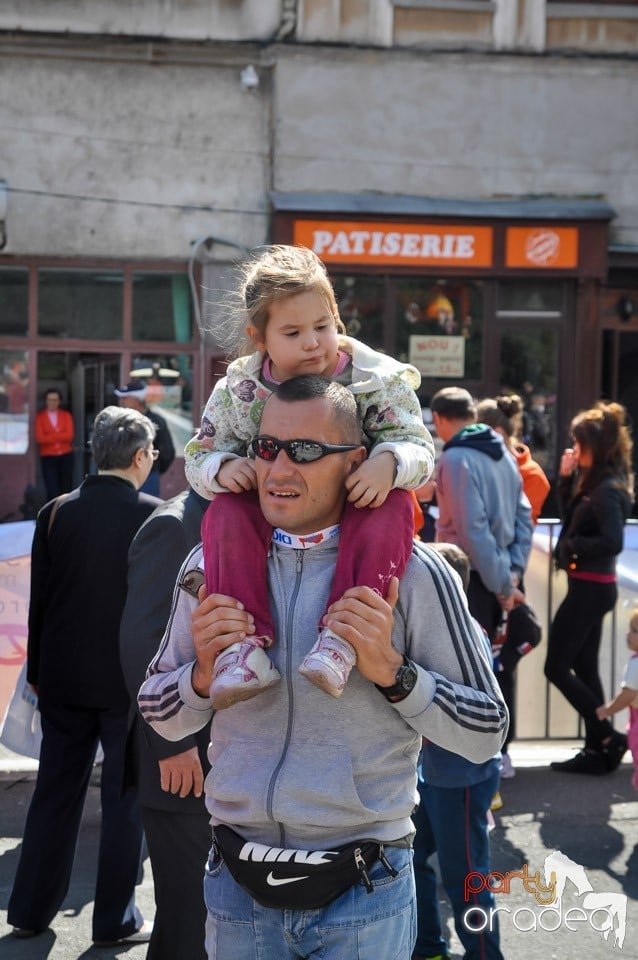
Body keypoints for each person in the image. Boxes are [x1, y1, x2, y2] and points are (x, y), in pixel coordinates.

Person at [139, 376, 507, 960]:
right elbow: (160, 712)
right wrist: (202, 680)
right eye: (266, 449)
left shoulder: (413, 572)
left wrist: (394, 673)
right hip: (238, 886)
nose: (279, 468)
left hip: (364, 889)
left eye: (306, 451)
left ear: (356, 463)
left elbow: (486, 731)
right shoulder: (211, 561)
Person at [184, 244, 435, 707]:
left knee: (397, 501)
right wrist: (224, 467)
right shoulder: (239, 391)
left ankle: (343, 637)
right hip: (273, 510)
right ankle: (242, 647)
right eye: (293, 332)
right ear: (258, 337)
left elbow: (421, 447)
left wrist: (390, 461)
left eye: (323, 326)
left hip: (358, 509)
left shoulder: (377, 380)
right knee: (225, 509)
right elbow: (198, 455)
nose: (313, 342)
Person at [8, 406, 161, 945]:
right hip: (128, 681)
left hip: (63, 679)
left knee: (55, 791)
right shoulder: (156, 514)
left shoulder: (55, 512)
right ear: (141, 456)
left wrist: (40, 676)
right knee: (123, 800)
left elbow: (40, 606)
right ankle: (114, 920)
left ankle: (28, 910)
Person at [119, 488, 212, 960]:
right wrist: (173, 742)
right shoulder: (176, 524)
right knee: (187, 923)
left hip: (219, 761)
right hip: (182, 759)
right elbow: (142, 643)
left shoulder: (223, 515)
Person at [413, 542, 503, 960]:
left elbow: (478, 712)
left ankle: (485, 954)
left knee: (466, 879)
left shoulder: (467, 635)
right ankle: (428, 946)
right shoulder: (439, 629)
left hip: (460, 777)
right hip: (432, 776)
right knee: (409, 862)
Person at [546, 401, 634, 775]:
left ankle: (607, 737)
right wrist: (566, 480)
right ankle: (598, 747)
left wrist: (572, 547)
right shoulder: (596, 482)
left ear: (594, 446)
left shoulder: (608, 489)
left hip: (592, 589)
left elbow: (612, 540)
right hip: (589, 586)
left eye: (578, 443)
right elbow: (572, 522)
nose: (573, 448)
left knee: (556, 667)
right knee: (583, 666)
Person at [475, 393, 550, 777]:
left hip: (504, 584)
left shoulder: (525, 473)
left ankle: (501, 752)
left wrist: (509, 581)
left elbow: (516, 525)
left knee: (501, 670)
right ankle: (494, 752)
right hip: (497, 580)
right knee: (492, 669)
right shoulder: (492, 465)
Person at [429, 386, 533, 639]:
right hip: (502, 574)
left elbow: (472, 530)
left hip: (469, 578)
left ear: (438, 418)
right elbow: (524, 518)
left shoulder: (454, 458)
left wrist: (504, 586)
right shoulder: (506, 454)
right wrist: (513, 572)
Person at [596, 605, 638, 790]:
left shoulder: (636, 664)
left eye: (634, 631)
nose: (628, 634)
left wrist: (607, 710)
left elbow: (628, 694)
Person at [115, 380, 175, 496]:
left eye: (125, 397)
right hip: (122, 477)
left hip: (148, 477)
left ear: (137, 399)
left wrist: (154, 469)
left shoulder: (157, 421)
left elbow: (168, 452)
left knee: (147, 512)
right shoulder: (119, 421)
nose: (121, 401)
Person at [35, 387, 75, 500]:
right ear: (45, 401)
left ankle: (66, 514)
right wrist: (58, 434)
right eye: (49, 400)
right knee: (52, 489)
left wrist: (50, 435)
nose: (52, 402)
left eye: (55, 400)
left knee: (66, 489)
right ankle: (52, 515)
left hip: (66, 456)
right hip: (48, 457)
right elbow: (40, 438)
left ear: (59, 401)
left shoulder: (66, 415)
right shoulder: (40, 417)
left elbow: (69, 436)